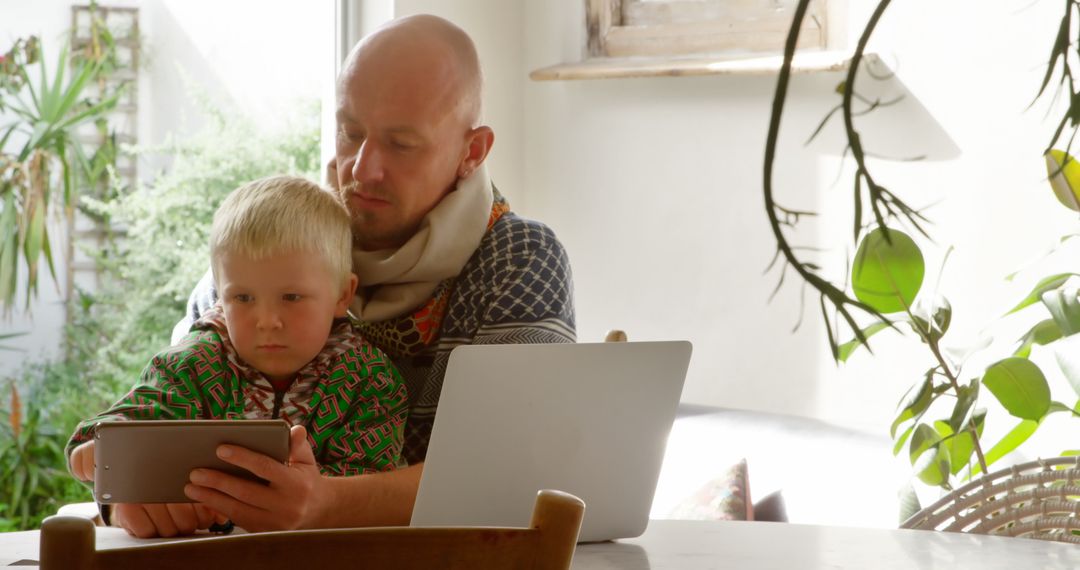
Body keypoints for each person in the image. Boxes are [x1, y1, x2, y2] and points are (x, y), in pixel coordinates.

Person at [176, 14, 575, 530]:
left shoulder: (517, 258)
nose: (362, 169)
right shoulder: (270, 241)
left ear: (471, 151)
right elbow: (170, 421)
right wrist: (137, 500)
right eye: (350, 132)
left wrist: (328, 504)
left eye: (402, 143)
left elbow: (517, 472)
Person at [68, 175, 409, 537]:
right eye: (243, 298)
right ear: (219, 296)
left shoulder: (370, 379)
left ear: (343, 294)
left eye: (291, 297)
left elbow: (368, 486)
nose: (266, 321)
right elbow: (114, 430)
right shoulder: (191, 366)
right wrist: (101, 456)